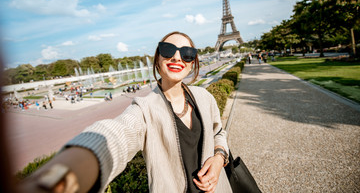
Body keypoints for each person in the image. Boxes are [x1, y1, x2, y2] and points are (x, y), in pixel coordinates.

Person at [18, 31, 232, 193]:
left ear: (193, 61)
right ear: (157, 59)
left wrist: (219, 158)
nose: (177, 58)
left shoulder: (204, 98)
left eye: (187, 53)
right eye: (168, 50)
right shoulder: (144, 108)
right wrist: (60, 174)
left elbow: (218, 132)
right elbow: (117, 135)